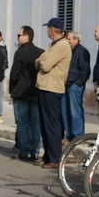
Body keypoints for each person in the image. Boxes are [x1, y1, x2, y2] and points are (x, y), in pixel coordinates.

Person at [35, 18, 71, 169]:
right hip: (44, 87)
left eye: (48, 28)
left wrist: (41, 61)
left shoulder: (61, 45)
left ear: (52, 29)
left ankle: (55, 158)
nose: (46, 31)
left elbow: (45, 64)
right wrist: (41, 61)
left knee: (52, 124)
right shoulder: (53, 45)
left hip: (52, 88)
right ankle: (48, 156)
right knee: (45, 124)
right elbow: (38, 61)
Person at [9, 26, 44, 162]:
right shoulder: (41, 52)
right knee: (35, 123)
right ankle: (34, 152)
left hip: (21, 92)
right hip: (35, 91)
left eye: (19, 35)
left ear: (26, 37)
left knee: (22, 123)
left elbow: (14, 73)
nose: (17, 37)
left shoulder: (20, 52)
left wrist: (12, 88)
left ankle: (24, 151)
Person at [61, 31, 91, 144]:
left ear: (76, 39)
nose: (67, 41)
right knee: (65, 111)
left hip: (75, 85)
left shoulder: (82, 51)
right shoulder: (68, 51)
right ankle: (69, 136)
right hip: (66, 84)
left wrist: (78, 83)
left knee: (75, 111)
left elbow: (85, 70)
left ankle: (78, 137)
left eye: (69, 39)